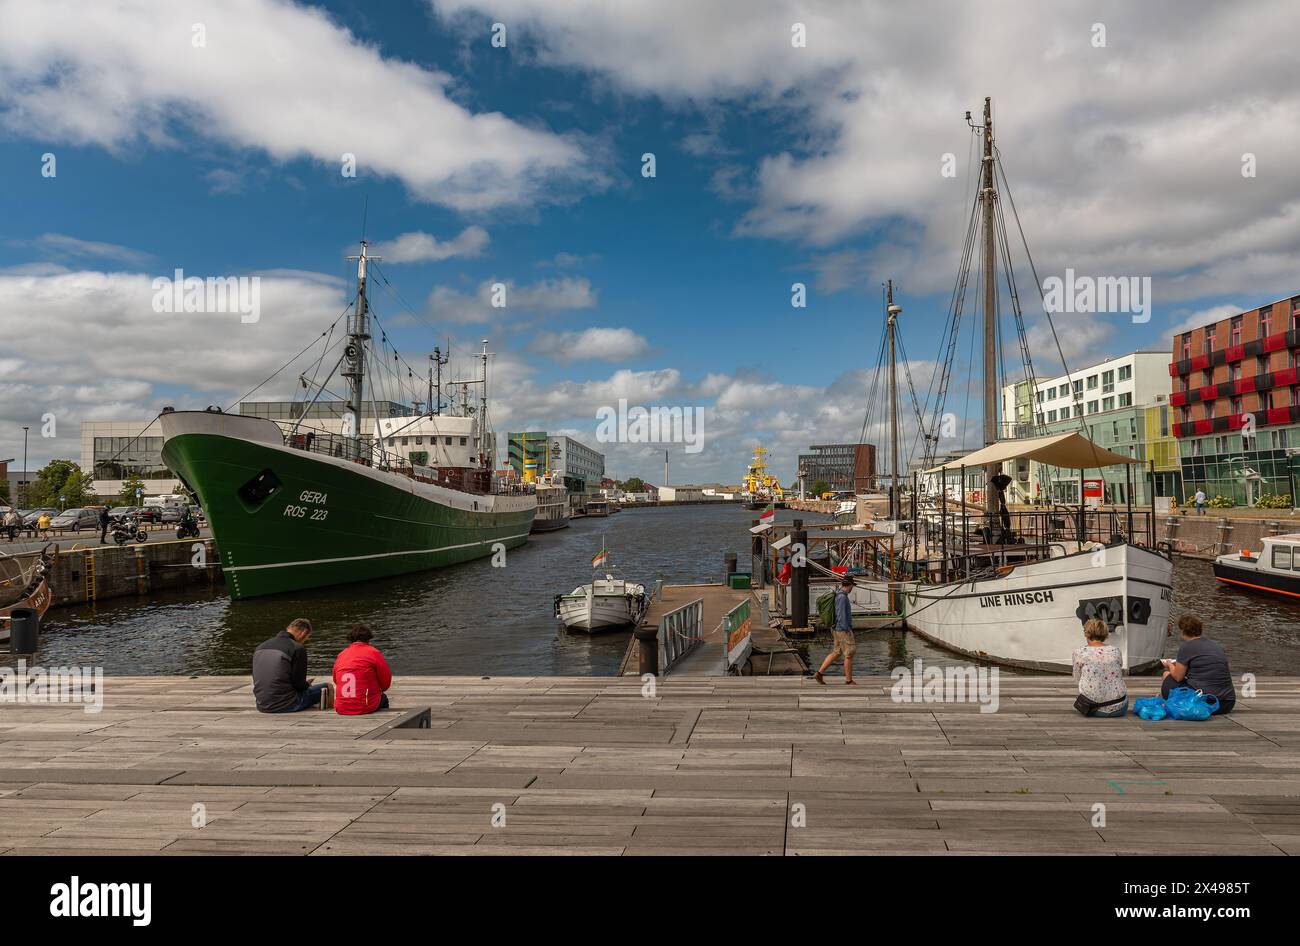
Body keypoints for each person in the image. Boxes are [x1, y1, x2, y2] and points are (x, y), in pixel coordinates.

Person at [1162, 615, 1235, 715]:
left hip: (1202, 703)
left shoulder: (1186, 646)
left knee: (1167, 675)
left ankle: (1172, 704)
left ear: (1183, 631)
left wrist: (1170, 665)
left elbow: (1178, 677)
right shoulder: (1215, 645)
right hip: (1226, 704)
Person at [252, 617, 329, 712]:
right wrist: (306, 685)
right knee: (327, 687)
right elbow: (299, 685)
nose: (304, 641)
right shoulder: (297, 648)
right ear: (303, 633)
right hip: (287, 704)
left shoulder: (261, 646)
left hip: (262, 704)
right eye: (306, 638)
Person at [332, 624, 393, 715]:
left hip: (341, 707)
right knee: (383, 698)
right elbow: (385, 683)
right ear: (369, 639)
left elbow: (336, 680)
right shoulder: (373, 652)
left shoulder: (342, 654)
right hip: (365, 706)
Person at [1072, 618, 1128, 717]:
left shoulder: (1079, 652)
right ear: (1105, 634)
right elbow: (1119, 668)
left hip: (1092, 708)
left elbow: (1077, 678)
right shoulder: (1116, 651)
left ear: (1086, 633)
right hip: (1120, 707)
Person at [813, 576, 857, 686]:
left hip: (835, 628)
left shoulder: (838, 594)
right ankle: (849, 680)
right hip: (842, 630)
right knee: (849, 654)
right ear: (850, 585)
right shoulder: (842, 597)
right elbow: (841, 615)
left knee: (837, 652)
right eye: (852, 586)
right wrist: (846, 629)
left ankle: (819, 673)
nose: (852, 588)